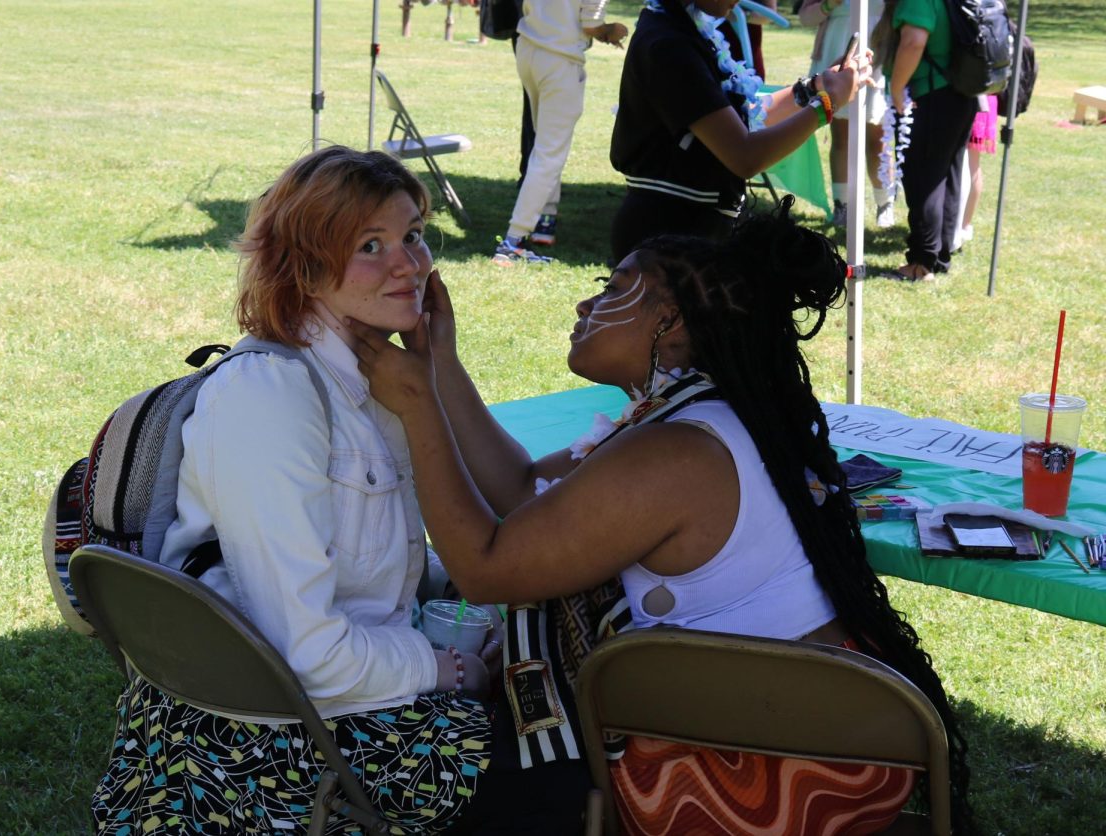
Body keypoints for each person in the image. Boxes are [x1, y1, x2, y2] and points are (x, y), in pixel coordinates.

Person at [348, 199, 973, 833]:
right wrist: (440, 362)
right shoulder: (689, 415)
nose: (584, 307)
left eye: (613, 289)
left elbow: (486, 569)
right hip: (809, 736)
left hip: (758, 774)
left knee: (423, 763)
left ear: (668, 320)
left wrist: (419, 406)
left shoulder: (676, 452)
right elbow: (522, 490)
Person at [89, 146, 497, 834]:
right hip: (267, 738)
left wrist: (461, 589)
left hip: (337, 698)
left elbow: (366, 556)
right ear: (305, 268)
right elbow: (308, 656)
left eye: (414, 236)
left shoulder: (372, 378)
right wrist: (449, 668)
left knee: (543, 705)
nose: (410, 265)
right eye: (372, 245)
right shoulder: (272, 396)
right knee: (540, 766)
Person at [608, 0, 872, 264]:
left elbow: (742, 120)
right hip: (666, 241)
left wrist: (816, 87)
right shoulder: (669, 44)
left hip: (687, 234)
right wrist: (827, 104)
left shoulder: (685, 29)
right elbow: (744, 155)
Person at [492, 0, 628, 266]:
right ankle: (512, 242)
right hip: (559, 59)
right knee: (549, 154)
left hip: (529, 48)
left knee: (543, 146)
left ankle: (544, 221)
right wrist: (612, 30)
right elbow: (591, 24)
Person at [872, 0, 979, 282]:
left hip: (930, 97)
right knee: (947, 176)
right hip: (957, 93)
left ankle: (921, 263)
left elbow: (914, 42)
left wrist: (896, 90)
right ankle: (938, 256)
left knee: (924, 179)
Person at [800, 0, 897, 228]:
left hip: (878, 54)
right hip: (837, 51)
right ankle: (842, 205)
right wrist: (828, 4)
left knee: (878, 138)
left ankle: (885, 203)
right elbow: (806, 18)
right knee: (841, 136)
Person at [957, 92, 998, 249]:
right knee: (973, 165)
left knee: (967, 166)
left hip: (974, 99)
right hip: (986, 99)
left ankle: (961, 226)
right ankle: (965, 225)